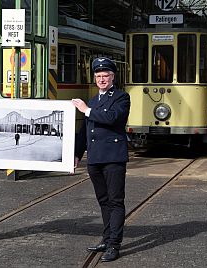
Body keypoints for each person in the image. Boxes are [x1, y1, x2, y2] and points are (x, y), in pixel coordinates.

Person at [72, 57, 130, 262]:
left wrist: (86, 110)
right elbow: (84, 131)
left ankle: (114, 244)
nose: (102, 79)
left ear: (113, 77)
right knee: (103, 201)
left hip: (113, 158)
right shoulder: (94, 100)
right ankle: (107, 238)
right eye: (98, 76)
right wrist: (77, 154)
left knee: (115, 201)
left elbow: (112, 118)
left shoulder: (122, 97)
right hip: (95, 159)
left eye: (106, 76)